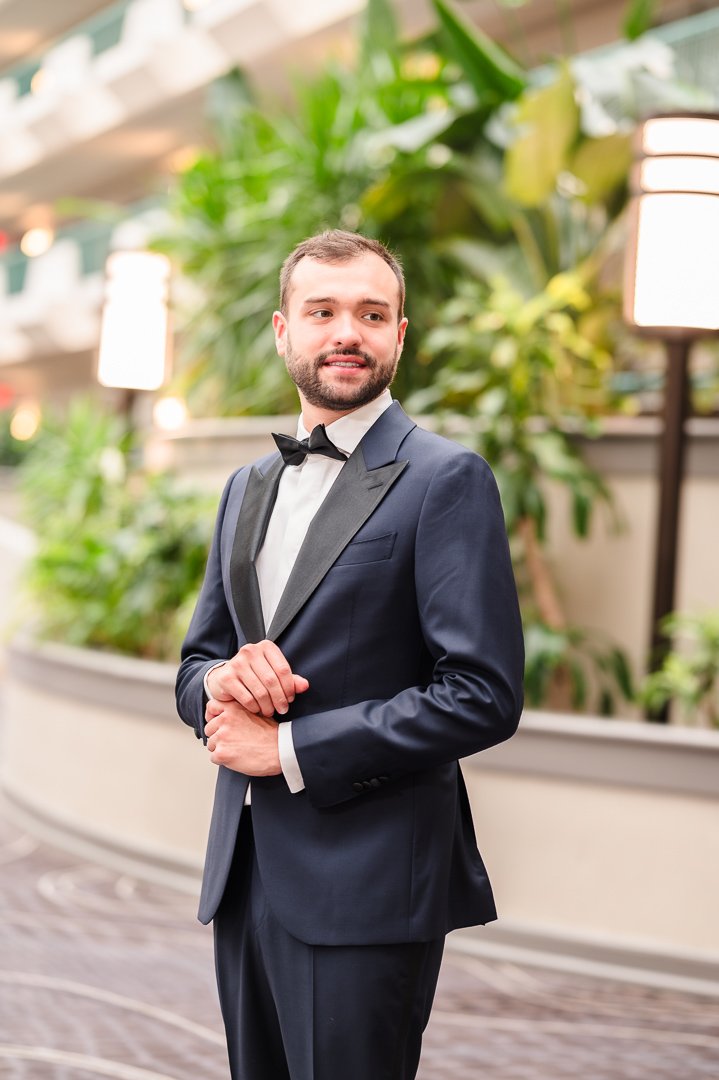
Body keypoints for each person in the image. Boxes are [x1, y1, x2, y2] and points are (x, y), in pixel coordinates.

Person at [175, 229, 524, 1080]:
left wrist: (288, 747)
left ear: (400, 334)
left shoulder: (446, 479)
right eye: (322, 311)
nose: (347, 332)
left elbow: (480, 694)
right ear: (281, 330)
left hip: (367, 886)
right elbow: (194, 666)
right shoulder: (246, 487)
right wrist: (223, 680)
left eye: (372, 314)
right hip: (247, 874)